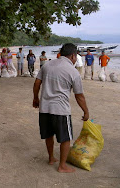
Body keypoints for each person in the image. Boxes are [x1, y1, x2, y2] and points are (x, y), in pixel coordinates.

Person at [33, 43, 89, 173]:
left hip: (45, 108)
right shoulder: (73, 72)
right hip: (61, 110)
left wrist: (36, 98)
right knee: (66, 138)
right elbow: (79, 96)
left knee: (48, 134)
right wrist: (86, 111)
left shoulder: (47, 65)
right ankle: (62, 166)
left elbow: (36, 83)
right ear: (73, 56)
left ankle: (51, 158)